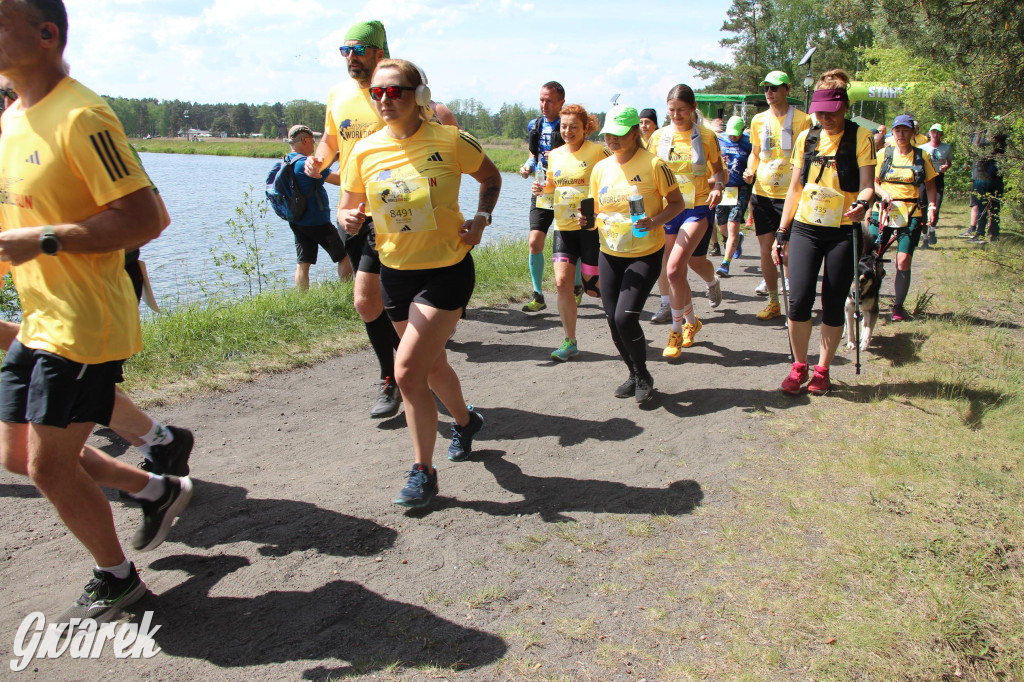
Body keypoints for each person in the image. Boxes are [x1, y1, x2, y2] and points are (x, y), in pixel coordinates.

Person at [0, 0, 191, 622]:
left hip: (85, 326)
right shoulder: (12, 118)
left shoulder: (83, 115)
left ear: (45, 32)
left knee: (47, 465)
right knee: (15, 454)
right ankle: (158, 489)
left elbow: (145, 218)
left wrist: (41, 240)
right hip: (39, 317)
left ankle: (118, 578)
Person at [339, 59, 501, 508]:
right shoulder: (364, 151)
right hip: (395, 272)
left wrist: (482, 220)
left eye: (397, 91)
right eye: (378, 93)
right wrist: (347, 218)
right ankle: (466, 423)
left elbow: (490, 176)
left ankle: (423, 472)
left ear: (419, 95)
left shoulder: (450, 140)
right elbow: (347, 206)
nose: (386, 100)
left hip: (446, 268)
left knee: (407, 371)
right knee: (430, 368)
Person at [305, 20, 457, 419]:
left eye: (357, 49)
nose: (350, 58)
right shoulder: (338, 95)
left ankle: (407, 372)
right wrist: (318, 159)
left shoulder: (398, 90)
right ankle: (398, 374)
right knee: (368, 304)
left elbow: (439, 126)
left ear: (378, 51)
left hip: (402, 212)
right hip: (356, 212)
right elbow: (331, 138)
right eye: (344, 51)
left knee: (375, 299)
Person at [776, 68, 876, 396]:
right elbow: (794, 188)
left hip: (843, 230)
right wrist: (783, 229)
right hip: (807, 227)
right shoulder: (808, 137)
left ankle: (822, 369)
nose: (825, 117)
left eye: (832, 112)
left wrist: (862, 205)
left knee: (833, 304)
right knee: (799, 299)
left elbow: (867, 187)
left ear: (844, 107)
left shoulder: (860, 138)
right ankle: (799, 365)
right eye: (820, 111)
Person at [586, 105, 683, 403]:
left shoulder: (654, 164)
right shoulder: (601, 167)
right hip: (610, 252)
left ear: (633, 132)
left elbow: (677, 203)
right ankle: (634, 373)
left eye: (618, 133)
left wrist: (654, 221)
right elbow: (594, 209)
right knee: (612, 321)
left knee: (625, 318)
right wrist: (586, 221)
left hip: (645, 252)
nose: (612, 139)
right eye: (608, 134)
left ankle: (643, 373)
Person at [647, 85, 726, 358]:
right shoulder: (658, 137)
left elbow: (719, 171)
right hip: (670, 209)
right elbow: (648, 172)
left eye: (682, 110)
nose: (676, 115)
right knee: (677, 273)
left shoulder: (706, 136)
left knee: (673, 269)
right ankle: (693, 322)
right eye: (671, 110)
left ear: (693, 109)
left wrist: (718, 187)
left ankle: (676, 332)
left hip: (698, 208)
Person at [534, 104, 609, 361]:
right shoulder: (554, 155)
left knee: (593, 289)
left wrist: (600, 212)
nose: (568, 131)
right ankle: (570, 341)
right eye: (564, 126)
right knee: (562, 283)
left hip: (590, 228)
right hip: (564, 228)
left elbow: (614, 180)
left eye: (574, 126)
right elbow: (551, 186)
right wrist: (541, 188)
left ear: (585, 128)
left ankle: (622, 323)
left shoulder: (598, 151)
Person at [743, 70, 812, 320]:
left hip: (791, 195)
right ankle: (774, 302)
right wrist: (750, 169)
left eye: (774, 88)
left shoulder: (804, 120)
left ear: (787, 89)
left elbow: (808, 158)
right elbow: (755, 152)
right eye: (766, 88)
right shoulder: (758, 120)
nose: (769, 93)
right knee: (765, 250)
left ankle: (797, 302)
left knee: (787, 252)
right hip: (762, 193)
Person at [872, 114, 938, 321]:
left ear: (912, 133)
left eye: (905, 130)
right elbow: (871, 182)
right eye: (897, 130)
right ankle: (870, 300)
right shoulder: (884, 154)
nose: (901, 134)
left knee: (904, 261)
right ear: (893, 132)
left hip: (911, 213)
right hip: (883, 210)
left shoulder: (921, 156)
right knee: (873, 258)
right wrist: (883, 194)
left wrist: (932, 206)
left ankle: (898, 307)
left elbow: (930, 184)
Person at [518, 81, 568, 313]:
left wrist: (559, 155)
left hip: (565, 191)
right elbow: (533, 152)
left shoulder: (569, 125)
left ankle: (576, 286)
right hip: (541, 189)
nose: (544, 104)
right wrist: (528, 165)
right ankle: (538, 295)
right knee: (534, 242)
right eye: (541, 99)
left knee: (569, 242)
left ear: (561, 102)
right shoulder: (535, 125)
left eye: (549, 100)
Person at [281, 124, 350, 290]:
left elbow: (322, 166)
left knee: (303, 262)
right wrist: (346, 159)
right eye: (313, 141)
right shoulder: (306, 164)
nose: (315, 145)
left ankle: (302, 298)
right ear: (305, 140)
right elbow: (338, 179)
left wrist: (333, 157)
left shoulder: (289, 161)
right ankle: (346, 291)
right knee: (344, 256)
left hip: (298, 220)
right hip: (317, 221)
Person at [714, 115, 752, 278]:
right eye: (730, 133)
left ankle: (725, 263)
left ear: (742, 131)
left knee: (733, 224)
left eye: (736, 134)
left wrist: (750, 173)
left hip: (741, 188)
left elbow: (755, 160)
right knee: (721, 224)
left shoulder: (749, 142)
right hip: (724, 188)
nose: (732, 137)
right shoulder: (720, 140)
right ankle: (737, 239)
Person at [962, 131, 1005, 243]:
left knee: (982, 208)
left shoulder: (983, 145)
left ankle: (980, 235)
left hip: (982, 180)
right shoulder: (1003, 146)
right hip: (997, 181)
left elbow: (973, 149)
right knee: (995, 209)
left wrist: (979, 135)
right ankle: (994, 235)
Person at [918, 123, 951, 247]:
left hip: (938, 178)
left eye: (938, 132)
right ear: (930, 133)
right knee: (922, 207)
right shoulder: (922, 148)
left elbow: (949, 162)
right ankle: (924, 237)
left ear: (941, 134)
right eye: (933, 132)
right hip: (924, 180)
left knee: (935, 206)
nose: (935, 134)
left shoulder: (946, 148)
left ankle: (932, 230)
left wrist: (946, 166)